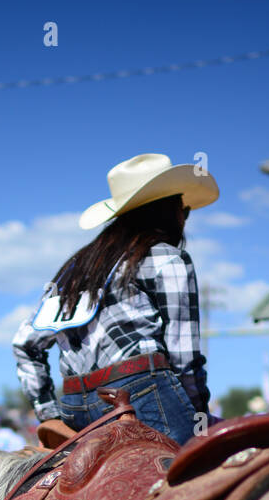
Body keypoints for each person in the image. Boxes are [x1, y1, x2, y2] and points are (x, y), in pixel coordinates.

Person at [12, 152, 218, 446]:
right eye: (183, 209)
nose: (184, 217)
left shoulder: (74, 271)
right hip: (144, 396)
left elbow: (24, 344)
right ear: (170, 211)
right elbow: (184, 359)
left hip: (75, 407)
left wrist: (49, 415)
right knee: (202, 475)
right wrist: (198, 415)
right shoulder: (167, 258)